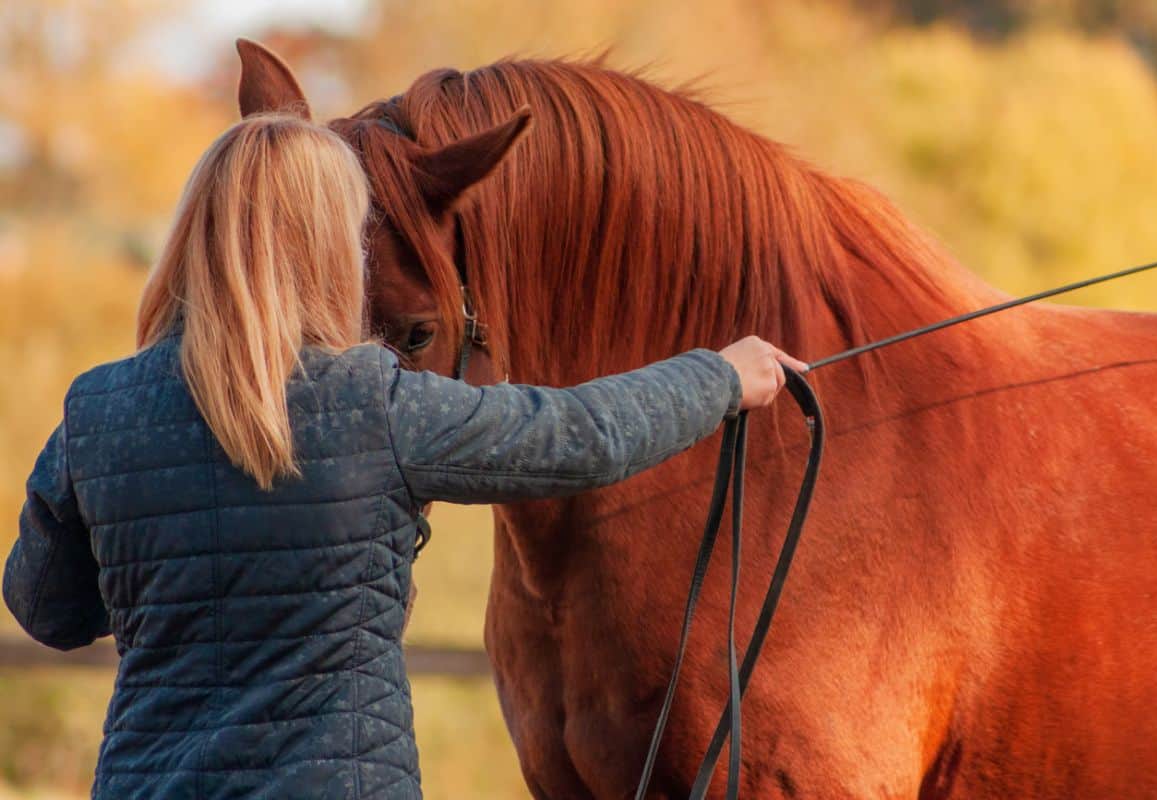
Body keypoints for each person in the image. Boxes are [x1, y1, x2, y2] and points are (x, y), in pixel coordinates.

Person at [3, 113, 807, 799]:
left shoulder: (95, 411)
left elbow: (48, 611)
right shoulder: (373, 403)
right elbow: (579, 435)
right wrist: (719, 375)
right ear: (326, 241)